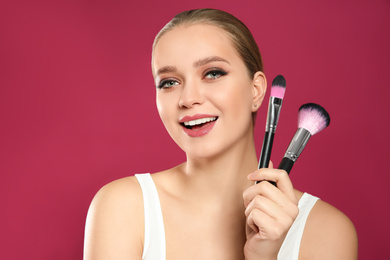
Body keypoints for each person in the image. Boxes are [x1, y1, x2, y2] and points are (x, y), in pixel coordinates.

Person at [83, 8, 358, 260]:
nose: (188, 98)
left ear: (257, 90)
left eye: (213, 73)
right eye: (169, 82)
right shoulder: (123, 208)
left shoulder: (327, 231)